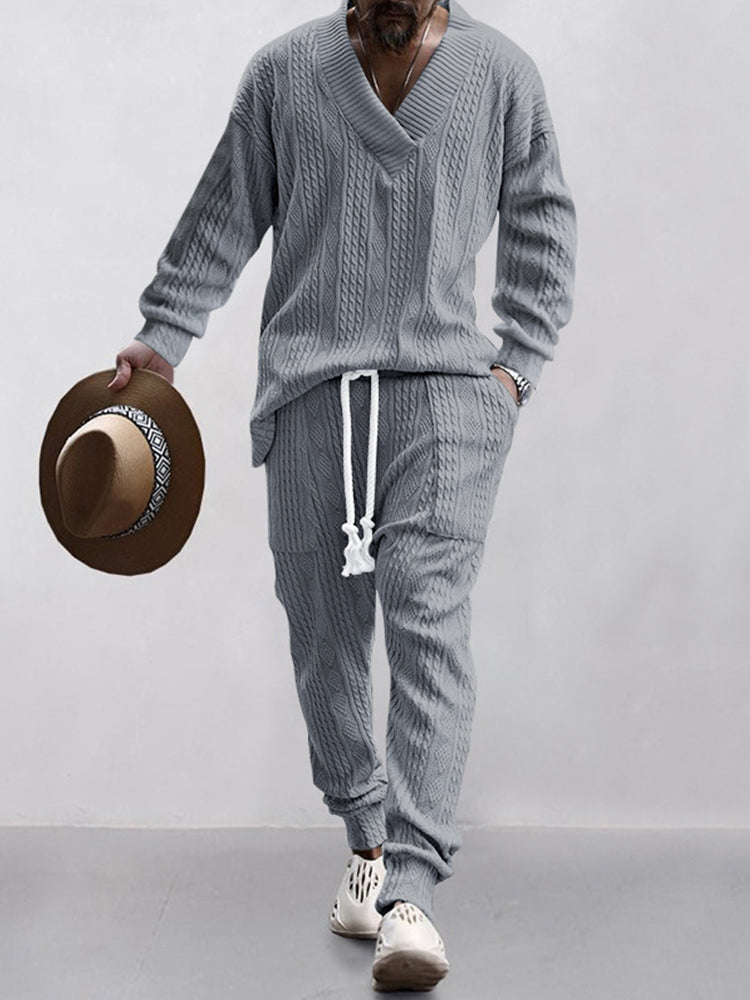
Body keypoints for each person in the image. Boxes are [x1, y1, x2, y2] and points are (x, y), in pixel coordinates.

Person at [109, 0, 577, 990]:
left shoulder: (502, 75)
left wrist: (515, 370)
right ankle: (367, 843)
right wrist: (164, 336)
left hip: (446, 399)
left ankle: (413, 891)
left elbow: (543, 220)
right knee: (322, 630)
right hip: (310, 396)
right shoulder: (283, 73)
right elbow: (224, 213)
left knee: (427, 624)